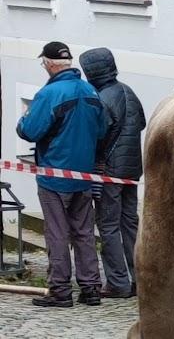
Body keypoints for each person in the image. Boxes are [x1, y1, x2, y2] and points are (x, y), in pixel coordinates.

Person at [16, 41, 108, 308]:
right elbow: (101, 130)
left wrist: (23, 120)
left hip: (54, 175)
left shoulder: (50, 93)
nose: (44, 66)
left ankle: (60, 290)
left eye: (44, 62)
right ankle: (91, 288)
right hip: (84, 174)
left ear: (50, 63)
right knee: (83, 232)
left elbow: (29, 131)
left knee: (57, 233)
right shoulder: (89, 90)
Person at [77, 48, 146, 299]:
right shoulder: (128, 91)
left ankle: (118, 282)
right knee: (130, 224)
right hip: (132, 168)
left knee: (108, 225)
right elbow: (141, 123)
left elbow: (99, 133)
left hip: (109, 170)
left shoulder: (103, 97)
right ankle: (141, 278)